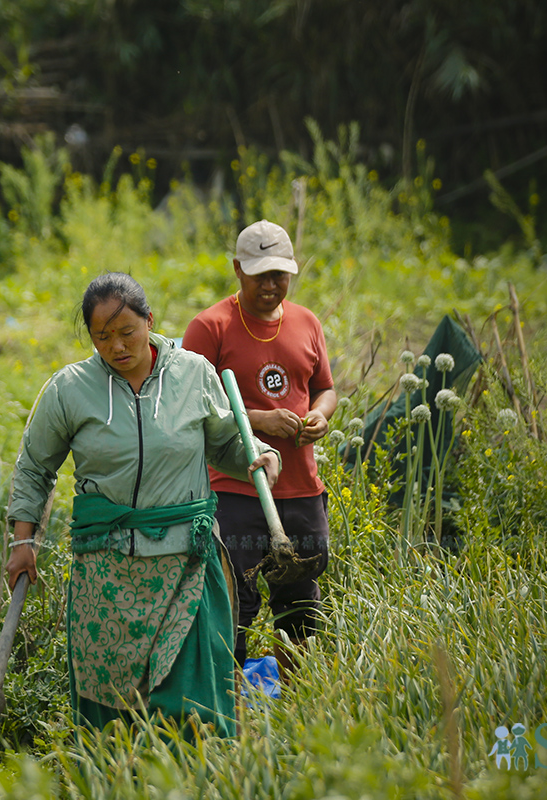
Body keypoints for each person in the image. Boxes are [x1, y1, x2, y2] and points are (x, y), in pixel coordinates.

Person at [5, 272, 281, 737]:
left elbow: (227, 445)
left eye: (127, 331)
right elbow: (34, 468)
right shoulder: (69, 389)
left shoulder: (193, 373)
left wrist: (258, 455)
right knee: (110, 708)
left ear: (149, 321)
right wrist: (23, 541)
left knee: (190, 702)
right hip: (106, 570)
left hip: (186, 565)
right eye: (102, 336)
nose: (116, 346)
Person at [182, 219, 338, 675]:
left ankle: (296, 695)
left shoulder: (307, 322)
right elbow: (193, 406)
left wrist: (320, 416)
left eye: (280, 274)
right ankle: (230, 702)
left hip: (301, 488)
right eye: (260, 275)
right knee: (237, 602)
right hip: (237, 490)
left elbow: (326, 388)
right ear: (237, 269)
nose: (271, 285)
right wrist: (258, 420)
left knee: (300, 603)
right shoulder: (210, 327)